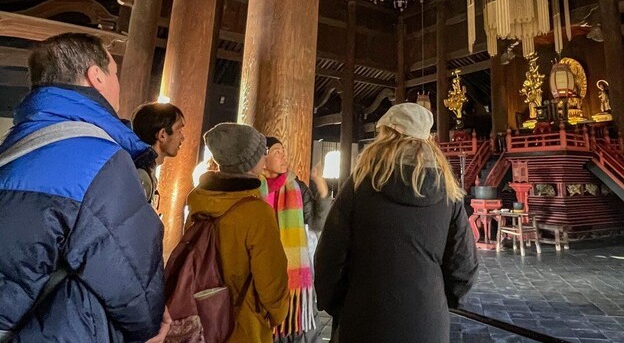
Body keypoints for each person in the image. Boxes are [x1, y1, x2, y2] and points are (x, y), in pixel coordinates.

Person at [0, 33, 166, 342]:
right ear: (97, 76)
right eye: (115, 73)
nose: (118, 85)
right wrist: (151, 329)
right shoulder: (97, 158)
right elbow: (136, 288)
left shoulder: (14, 148)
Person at [315, 103, 479, 343]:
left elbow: (330, 255)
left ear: (387, 135)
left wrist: (340, 303)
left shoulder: (360, 185)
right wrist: (438, 301)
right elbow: (464, 266)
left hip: (364, 319)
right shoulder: (448, 193)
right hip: (427, 323)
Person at [188, 123, 290, 343]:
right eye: (262, 153)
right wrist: (276, 314)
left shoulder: (199, 202)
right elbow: (272, 284)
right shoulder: (257, 212)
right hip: (243, 323)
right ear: (251, 161)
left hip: (202, 317)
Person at [260, 137, 331, 342]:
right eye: (276, 152)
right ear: (262, 157)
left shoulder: (296, 187)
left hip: (294, 270)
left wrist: (321, 186)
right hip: (265, 267)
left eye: (283, 151)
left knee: (298, 329)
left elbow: (317, 223)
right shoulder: (253, 187)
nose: (284, 157)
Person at [131, 102, 185, 204]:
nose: (183, 138)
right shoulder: (142, 177)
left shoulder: (140, 170)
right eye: (179, 130)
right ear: (162, 135)